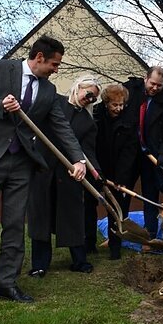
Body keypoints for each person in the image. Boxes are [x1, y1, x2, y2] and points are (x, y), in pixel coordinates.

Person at [0, 35, 86, 312]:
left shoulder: (49, 92)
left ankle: (7, 284)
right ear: (39, 57)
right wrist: (0, 106)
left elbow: (62, 128)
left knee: (15, 226)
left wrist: (79, 160)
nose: (56, 69)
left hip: (22, 164)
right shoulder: (1, 69)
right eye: (54, 63)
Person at [26, 76, 101, 277]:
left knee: (72, 217)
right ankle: (40, 264)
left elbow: (88, 151)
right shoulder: (54, 102)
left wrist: (90, 169)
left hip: (68, 175)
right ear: (78, 87)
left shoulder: (88, 122)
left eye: (94, 98)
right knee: (41, 216)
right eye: (89, 94)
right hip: (43, 169)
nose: (90, 99)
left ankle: (79, 260)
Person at [124, 66, 163, 240]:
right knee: (123, 193)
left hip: (152, 156)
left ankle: (150, 236)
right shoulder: (130, 91)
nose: (155, 88)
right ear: (145, 79)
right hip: (129, 153)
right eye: (153, 84)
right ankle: (118, 231)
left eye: (159, 86)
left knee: (150, 197)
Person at [94, 84, 139, 260]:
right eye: (115, 105)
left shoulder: (129, 119)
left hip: (120, 171)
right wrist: (97, 171)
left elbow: (130, 151)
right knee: (90, 205)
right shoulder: (96, 115)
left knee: (118, 209)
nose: (118, 109)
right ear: (106, 103)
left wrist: (121, 178)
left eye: (121, 105)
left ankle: (115, 247)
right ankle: (89, 243)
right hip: (97, 168)